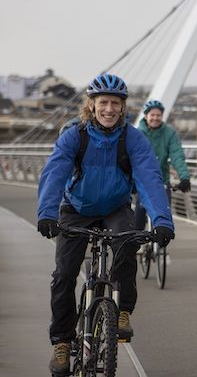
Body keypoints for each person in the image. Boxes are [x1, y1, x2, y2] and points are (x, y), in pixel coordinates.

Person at [36, 74, 175, 376]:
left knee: (128, 243)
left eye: (115, 103)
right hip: (76, 208)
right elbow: (55, 172)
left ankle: (122, 311)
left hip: (114, 206)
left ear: (123, 108)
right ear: (92, 105)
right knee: (64, 274)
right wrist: (47, 213)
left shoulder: (132, 138)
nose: (109, 109)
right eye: (103, 103)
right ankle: (61, 342)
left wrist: (163, 220)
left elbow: (150, 178)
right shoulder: (76, 135)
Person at [135, 99, 192, 233]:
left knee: (165, 214)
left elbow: (177, 155)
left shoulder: (169, 133)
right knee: (139, 213)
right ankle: (136, 243)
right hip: (142, 180)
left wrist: (184, 177)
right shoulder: (138, 133)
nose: (155, 118)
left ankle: (160, 249)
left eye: (158, 115)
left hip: (162, 180)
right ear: (146, 116)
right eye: (152, 115)